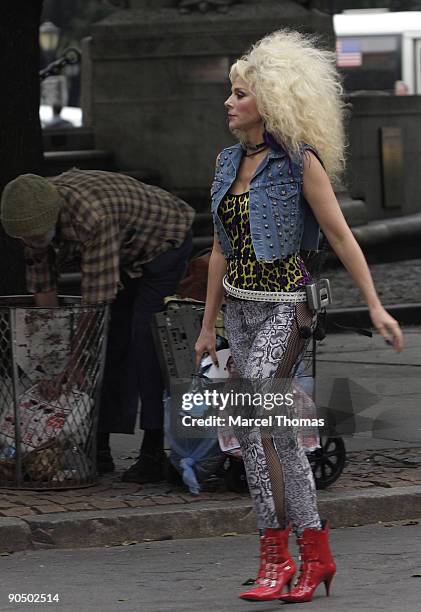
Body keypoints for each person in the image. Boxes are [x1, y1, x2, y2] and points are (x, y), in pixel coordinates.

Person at [194, 30, 404, 604]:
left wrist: (377, 306)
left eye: (240, 94)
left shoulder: (298, 163)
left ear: (271, 100)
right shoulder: (225, 162)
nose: (229, 103)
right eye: (232, 93)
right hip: (238, 311)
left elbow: (340, 236)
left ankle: (301, 553)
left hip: (287, 308)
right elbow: (218, 249)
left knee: (268, 425)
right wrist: (208, 326)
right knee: (261, 434)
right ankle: (287, 556)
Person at [0, 169, 195, 482]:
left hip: (162, 240)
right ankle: (99, 446)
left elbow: (95, 307)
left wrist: (74, 364)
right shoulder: (31, 215)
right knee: (112, 345)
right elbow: (45, 294)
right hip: (123, 250)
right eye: (25, 239)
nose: (32, 243)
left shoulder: (92, 218)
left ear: (54, 216)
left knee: (144, 340)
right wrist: (52, 365)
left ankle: (152, 450)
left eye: (37, 237)